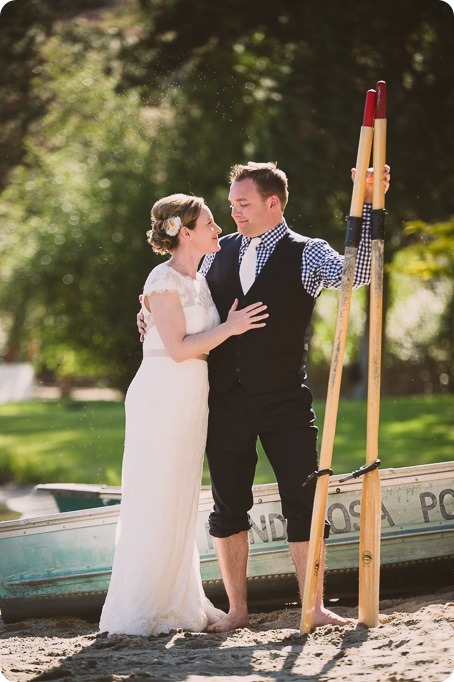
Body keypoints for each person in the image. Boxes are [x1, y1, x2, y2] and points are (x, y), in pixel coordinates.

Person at [137, 162, 391, 633]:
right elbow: (177, 285)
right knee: (229, 506)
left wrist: (371, 205)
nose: (232, 212)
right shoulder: (216, 250)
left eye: (243, 204)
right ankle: (237, 611)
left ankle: (312, 607)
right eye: (231, 204)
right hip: (224, 401)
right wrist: (146, 312)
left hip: (284, 401)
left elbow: (360, 274)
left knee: (304, 501)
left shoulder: (307, 252)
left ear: (273, 203)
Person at [99, 193, 268, 637]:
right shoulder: (163, 278)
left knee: (180, 497)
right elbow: (175, 349)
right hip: (162, 397)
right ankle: (142, 606)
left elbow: (175, 325)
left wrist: (152, 315)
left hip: (192, 399)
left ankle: (180, 597)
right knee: (155, 495)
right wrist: (230, 328)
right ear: (185, 232)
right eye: (210, 223)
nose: (219, 229)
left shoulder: (199, 277)